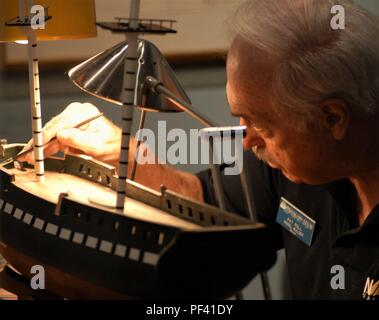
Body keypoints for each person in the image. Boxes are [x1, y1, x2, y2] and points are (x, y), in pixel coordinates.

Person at [18, 0, 379, 300]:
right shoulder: (294, 167)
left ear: (332, 118)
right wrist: (126, 154)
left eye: (262, 125)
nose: (246, 139)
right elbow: (208, 204)